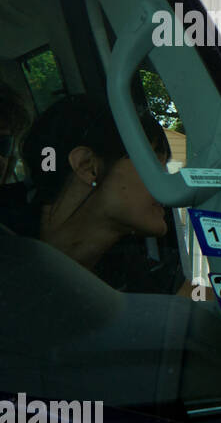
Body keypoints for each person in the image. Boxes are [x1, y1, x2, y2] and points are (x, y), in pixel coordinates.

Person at [16, 95, 174, 288]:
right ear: (87, 166)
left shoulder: (142, 274)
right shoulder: (8, 252)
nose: (169, 181)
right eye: (153, 162)